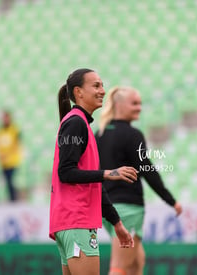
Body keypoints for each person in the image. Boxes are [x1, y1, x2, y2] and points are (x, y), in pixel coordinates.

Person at [49, 68, 138, 275]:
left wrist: (116, 223)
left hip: (70, 223)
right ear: (79, 92)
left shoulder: (78, 123)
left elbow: (92, 184)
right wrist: (107, 173)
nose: (103, 91)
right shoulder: (76, 123)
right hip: (76, 221)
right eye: (96, 85)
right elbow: (66, 172)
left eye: (102, 85)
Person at [95, 86, 182, 275]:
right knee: (120, 267)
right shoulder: (133, 135)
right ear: (118, 105)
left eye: (140, 103)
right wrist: (171, 200)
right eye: (134, 103)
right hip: (128, 209)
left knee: (136, 263)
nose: (139, 108)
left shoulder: (99, 134)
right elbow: (147, 171)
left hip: (107, 207)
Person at [0, 110, 22, 201]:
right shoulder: (0, 131)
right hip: (3, 162)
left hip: (12, 161)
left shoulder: (14, 130)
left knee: (11, 181)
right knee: (7, 181)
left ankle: (14, 199)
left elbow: (16, 144)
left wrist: (8, 154)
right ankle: (11, 199)